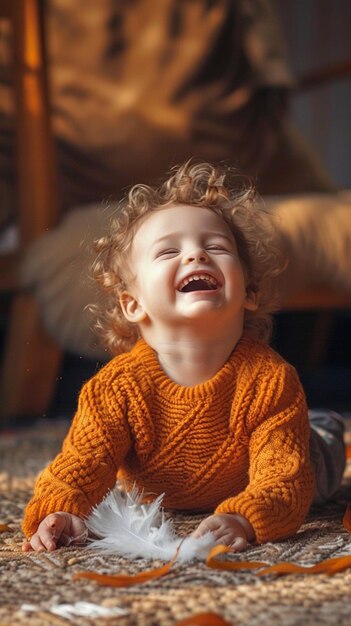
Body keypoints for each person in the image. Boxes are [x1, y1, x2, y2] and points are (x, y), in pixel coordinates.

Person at [22, 161, 345, 553]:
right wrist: (61, 510)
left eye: (216, 247)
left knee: (314, 460)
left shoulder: (270, 381)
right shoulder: (115, 389)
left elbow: (282, 480)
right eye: (169, 250)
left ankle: (320, 427)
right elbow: (80, 464)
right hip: (171, 482)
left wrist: (242, 517)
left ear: (249, 293)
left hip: (291, 456)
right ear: (133, 304)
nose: (196, 255)